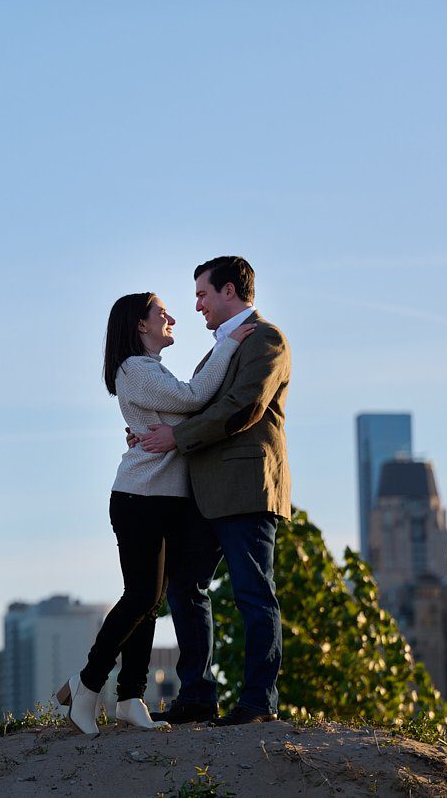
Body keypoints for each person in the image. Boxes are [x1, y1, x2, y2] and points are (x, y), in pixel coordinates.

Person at [55, 291, 256, 735]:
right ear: (140, 325)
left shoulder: (151, 371)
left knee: (149, 603)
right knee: (141, 597)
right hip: (139, 498)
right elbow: (196, 397)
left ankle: (130, 698)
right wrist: (230, 344)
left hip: (165, 501)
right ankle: (86, 684)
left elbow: (184, 418)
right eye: (161, 312)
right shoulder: (135, 368)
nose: (172, 318)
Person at [133, 256, 291, 727]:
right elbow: (196, 405)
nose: (197, 305)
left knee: (253, 594)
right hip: (203, 493)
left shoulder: (267, 338)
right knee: (183, 586)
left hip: (246, 488)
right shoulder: (220, 347)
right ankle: (198, 696)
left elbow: (243, 406)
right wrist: (153, 430)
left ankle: (259, 702)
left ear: (229, 291)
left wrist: (176, 438)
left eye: (202, 294)